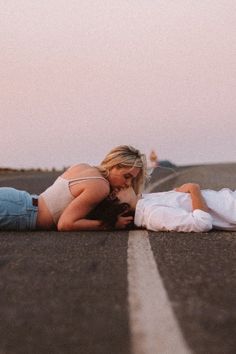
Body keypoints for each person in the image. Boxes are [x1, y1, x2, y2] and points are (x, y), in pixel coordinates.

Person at [0, 145, 147, 231]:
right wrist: (111, 224)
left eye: (132, 179)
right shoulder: (100, 186)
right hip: (21, 212)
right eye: (126, 176)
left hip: (18, 201)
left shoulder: (85, 167)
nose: (128, 184)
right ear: (114, 166)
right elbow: (65, 223)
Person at [88, 183, 236, 232]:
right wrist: (193, 188)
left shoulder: (144, 199)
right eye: (114, 195)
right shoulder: (152, 214)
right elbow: (202, 223)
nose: (118, 187)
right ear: (122, 209)